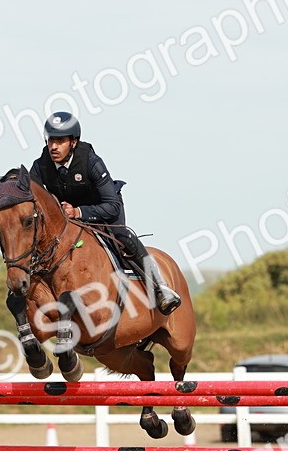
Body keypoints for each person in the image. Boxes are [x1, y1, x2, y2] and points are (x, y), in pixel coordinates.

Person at [29, 112, 181, 315]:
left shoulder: (91, 162)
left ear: (73, 142)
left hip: (103, 211)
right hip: (67, 219)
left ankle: (160, 287)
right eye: (50, 140)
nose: (53, 146)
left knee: (122, 237)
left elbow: (112, 205)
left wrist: (78, 211)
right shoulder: (40, 165)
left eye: (60, 141)